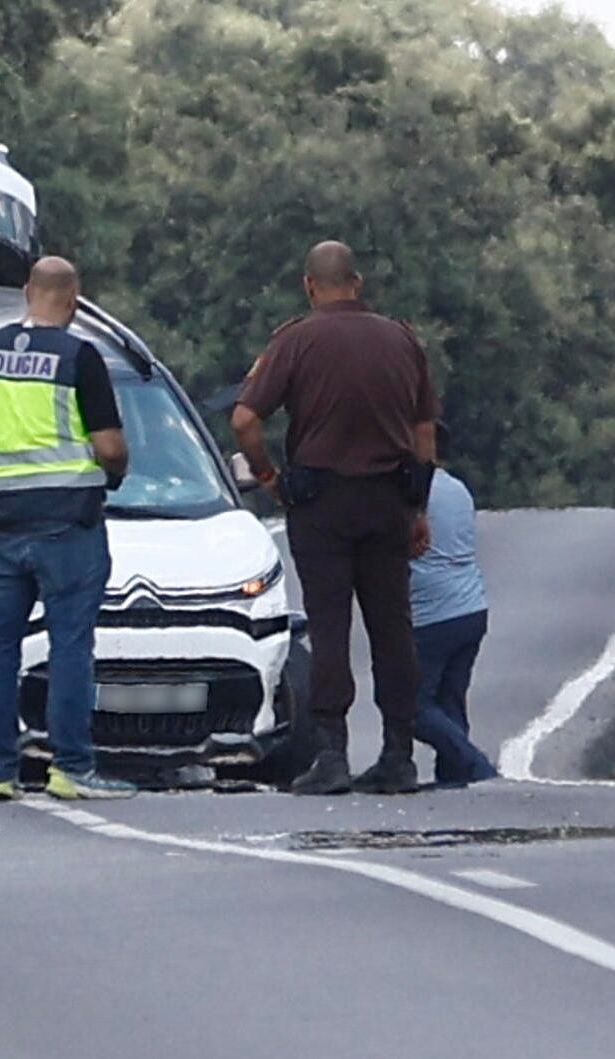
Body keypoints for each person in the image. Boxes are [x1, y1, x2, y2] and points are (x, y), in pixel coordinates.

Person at [232, 241, 439, 796]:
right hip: (389, 500)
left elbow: (245, 418)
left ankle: (332, 753)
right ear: (358, 281)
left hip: (321, 504)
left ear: (309, 286)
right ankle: (399, 752)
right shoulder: (401, 340)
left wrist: (271, 478)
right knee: (393, 627)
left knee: (329, 627)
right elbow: (424, 434)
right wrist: (417, 507)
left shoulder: (296, 341)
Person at [0, 256, 136, 801]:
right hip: (68, 525)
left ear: (28, 293)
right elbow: (110, 447)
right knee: (70, 644)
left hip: (2, 523)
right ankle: (70, 769)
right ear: (73, 299)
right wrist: (114, 472)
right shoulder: (80, 356)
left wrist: (6, 458)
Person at [411, 423, 498, 786]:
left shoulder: (415, 494)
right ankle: (455, 780)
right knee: (450, 699)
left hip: (432, 613)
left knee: (410, 706)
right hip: (471, 607)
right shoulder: (458, 490)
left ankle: (477, 767)